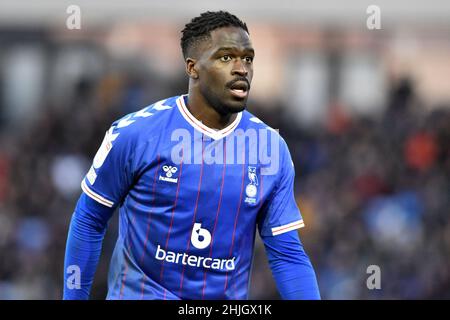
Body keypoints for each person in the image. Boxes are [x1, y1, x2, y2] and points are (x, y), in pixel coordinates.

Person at [63, 10, 320, 300]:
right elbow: (89, 219)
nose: (241, 69)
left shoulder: (270, 148)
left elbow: (286, 254)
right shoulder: (136, 134)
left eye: (247, 58)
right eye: (226, 57)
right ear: (192, 67)